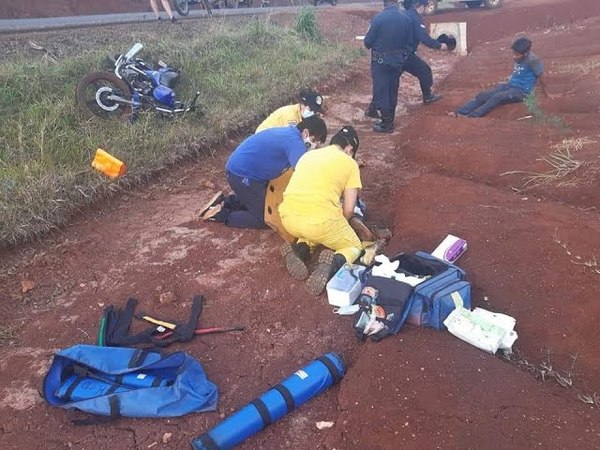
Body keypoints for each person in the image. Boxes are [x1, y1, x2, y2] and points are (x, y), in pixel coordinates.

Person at [279, 126, 374, 296]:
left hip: (288, 218)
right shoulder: (350, 164)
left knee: (311, 233)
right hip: (320, 222)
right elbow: (348, 211)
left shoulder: (307, 156)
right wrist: (343, 225)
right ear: (350, 149)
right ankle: (332, 265)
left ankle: (298, 250)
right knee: (354, 245)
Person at [200, 116, 327, 229]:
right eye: (315, 140)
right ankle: (220, 215)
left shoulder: (290, 133)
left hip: (242, 171)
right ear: (305, 133)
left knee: (267, 200)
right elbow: (302, 173)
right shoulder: (295, 142)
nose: (314, 145)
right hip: (242, 175)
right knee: (268, 219)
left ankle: (225, 202)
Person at [453, 37, 548, 118]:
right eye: (513, 53)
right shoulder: (521, 57)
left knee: (497, 97)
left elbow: (541, 76)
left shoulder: (534, 61)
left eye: (516, 54)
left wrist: (546, 94)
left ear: (525, 54)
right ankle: (459, 112)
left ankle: (471, 116)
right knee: (482, 95)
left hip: (522, 92)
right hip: (510, 85)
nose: (513, 56)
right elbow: (519, 72)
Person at [363, 0, 413, 133]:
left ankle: (387, 123)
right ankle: (389, 119)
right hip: (398, 61)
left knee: (382, 91)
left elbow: (368, 42)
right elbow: (410, 42)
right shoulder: (406, 18)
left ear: (384, 4)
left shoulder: (378, 19)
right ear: (396, 3)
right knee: (392, 90)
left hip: (381, 61)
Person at [402, 0, 447, 105]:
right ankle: (427, 96)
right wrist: (439, 45)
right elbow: (424, 38)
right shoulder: (415, 17)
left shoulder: (404, 15)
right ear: (421, 6)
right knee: (424, 70)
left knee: (389, 81)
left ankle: (374, 107)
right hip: (406, 54)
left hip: (394, 54)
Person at [255, 90, 325, 133]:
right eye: (311, 109)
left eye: (315, 111)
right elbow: (291, 138)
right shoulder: (291, 116)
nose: (312, 113)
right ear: (302, 104)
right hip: (263, 137)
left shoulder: (300, 114)